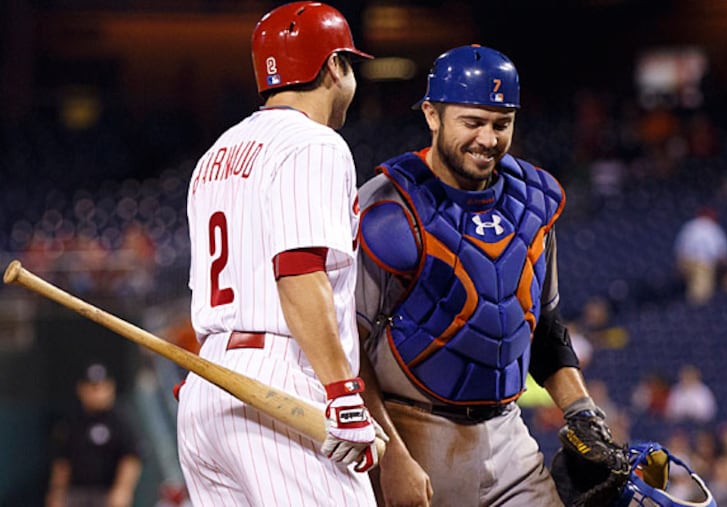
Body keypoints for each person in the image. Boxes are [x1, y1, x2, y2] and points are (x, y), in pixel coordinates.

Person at [356, 44, 628, 506]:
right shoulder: (387, 204)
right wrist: (391, 455)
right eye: (473, 122)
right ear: (432, 115)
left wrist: (582, 412)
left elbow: (545, 327)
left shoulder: (534, 201)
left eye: (501, 123)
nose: (488, 139)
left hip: (507, 434)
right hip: (411, 431)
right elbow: (349, 346)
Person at [176, 2, 385, 505]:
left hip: (209, 383)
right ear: (333, 65)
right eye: (349, 64)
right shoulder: (315, 144)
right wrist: (343, 392)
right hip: (281, 382)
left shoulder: (216, 154)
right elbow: (297, 271)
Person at [46, 362, 142, 507]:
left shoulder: (120, 420)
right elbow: (62, 461)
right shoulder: (71, 420)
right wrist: (58, 492)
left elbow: (131, 458)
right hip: (75, 493)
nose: (97, 393)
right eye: (92, 387)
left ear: (111, 388)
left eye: (101, 387)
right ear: (81, 389)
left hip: (107, 493)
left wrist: (123, 490)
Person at [673, 206, 727, 305]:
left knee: (690, 286)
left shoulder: (689, 226)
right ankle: (694, 311)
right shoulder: (713, 228)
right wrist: (726, 266)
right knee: (701, 294)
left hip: (686, 260)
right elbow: (722, 252)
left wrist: (679, 265)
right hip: (703, 263)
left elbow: (680, 248)